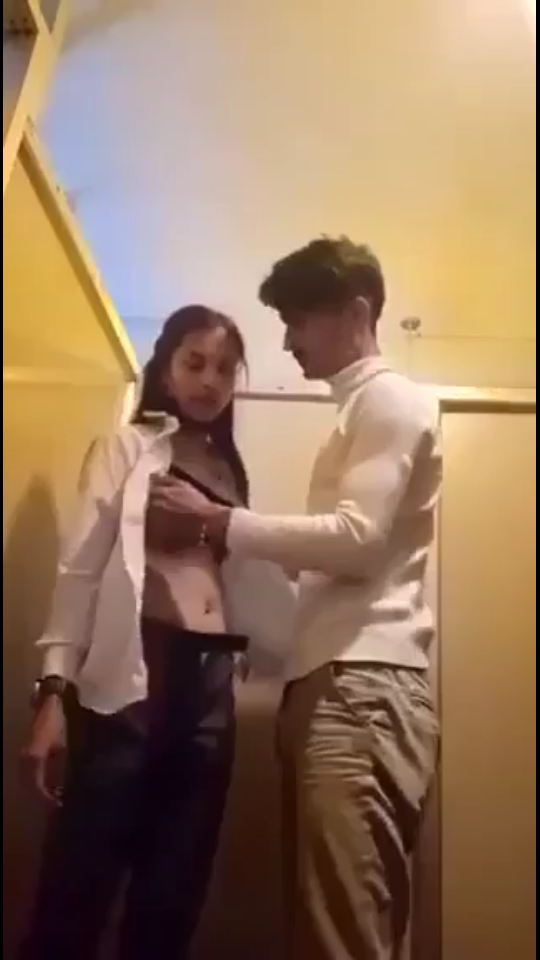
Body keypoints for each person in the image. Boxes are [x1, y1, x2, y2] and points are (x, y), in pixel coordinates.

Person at [157, 238, 442, 960]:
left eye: (297, 321)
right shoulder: (361, 412)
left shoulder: (388, 399)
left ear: (355, 313)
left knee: (341, 931)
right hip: (346, 689)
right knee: (344, 921)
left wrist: (220, 521)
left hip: (360, 691)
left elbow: (357, 539)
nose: (286, 342)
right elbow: (352, 553)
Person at [19, 305, 253, 960]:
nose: (210, 380)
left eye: (225, 369)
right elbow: (80, 570)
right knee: (80, 876)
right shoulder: (127, 447)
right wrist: (54, 692)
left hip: (211, 684)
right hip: (135, 670)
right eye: (195, 363)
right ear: (165, 369)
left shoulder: (230, 471)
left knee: (173, 889)